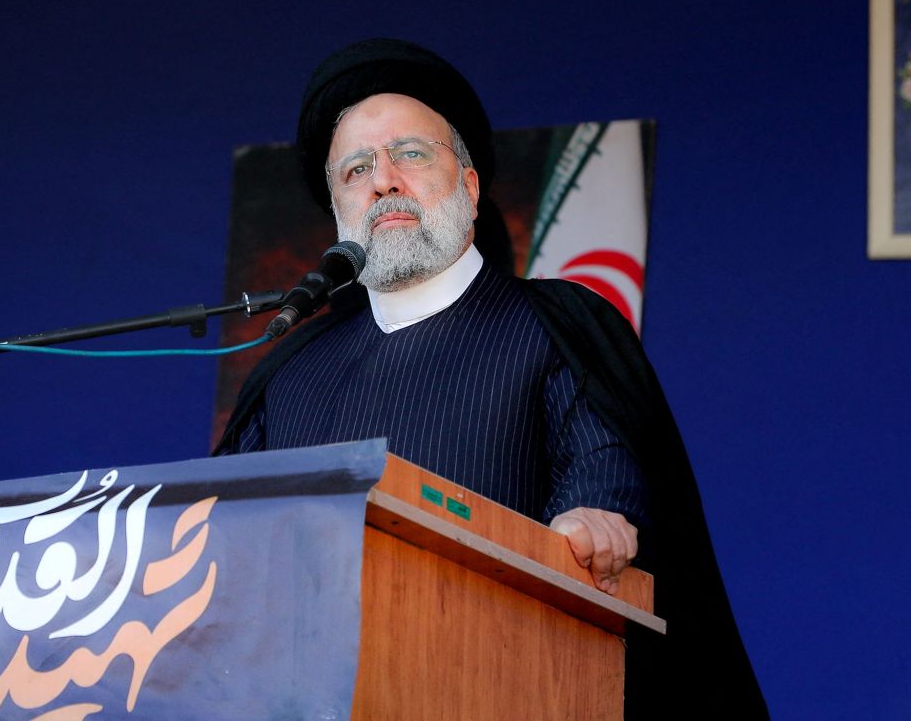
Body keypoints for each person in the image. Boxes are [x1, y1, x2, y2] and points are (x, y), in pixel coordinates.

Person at [217, 38, 767, 716]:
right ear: (339, 212)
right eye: (356, 169)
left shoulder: (556, 323)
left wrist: (593, 520)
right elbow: (217, 548)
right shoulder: (287, 374)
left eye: (410, 154)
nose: (384, 178)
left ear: (470, 187)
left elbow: (601, 466)